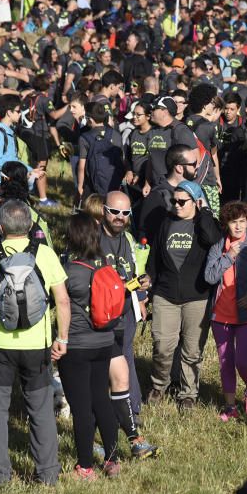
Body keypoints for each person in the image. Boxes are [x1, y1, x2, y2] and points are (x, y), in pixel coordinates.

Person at [0, 200, 71, 486]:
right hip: (37, 345)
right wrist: (62, 338)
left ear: (0, 227)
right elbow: (62, 300)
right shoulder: (46, 255)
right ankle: (47, 473)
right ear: (30, 226)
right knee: (39, 409)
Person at [145, 180, 221, 412]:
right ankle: (160, 385)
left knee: (192, 350)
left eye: (182, 201)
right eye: (173, 201)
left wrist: (204, 211)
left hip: (197, 296)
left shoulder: (205, 224)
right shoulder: (166, 222)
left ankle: (188, 393)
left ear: (196, 202)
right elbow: (155, 258)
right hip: (165, 293)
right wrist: (148, 283)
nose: (176, 205)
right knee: (163, 345)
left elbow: (213, 238)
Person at [94, 191, 160, 459]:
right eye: (115, 212)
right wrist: (119, 286)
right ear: (103, 211)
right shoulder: (92, 239)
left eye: (126, 213)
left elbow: (132, 272)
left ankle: (131, 416)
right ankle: (106, 429)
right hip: (100, 318)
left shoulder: (128, 239)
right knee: (104, 372)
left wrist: (141, 289)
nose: (120, 218)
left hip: (125, 314)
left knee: (125, 361)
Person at [59, 213, 123, 480]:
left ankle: (85, 466)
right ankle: (112, 459)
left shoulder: (69, 270)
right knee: (102, 400)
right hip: (105, 342)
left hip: (77, 345)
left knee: (82, 407)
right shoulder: (106, 264)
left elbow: (57, 302)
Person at [204, 200, 247, 421]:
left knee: (243, 360)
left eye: (242, 222)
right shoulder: (218, 247)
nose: (239, 227)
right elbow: (210, 276)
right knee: (225, 362)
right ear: (226, 224)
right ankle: (230, 406)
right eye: (234, 222)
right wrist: (229, 256)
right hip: (221, 314)